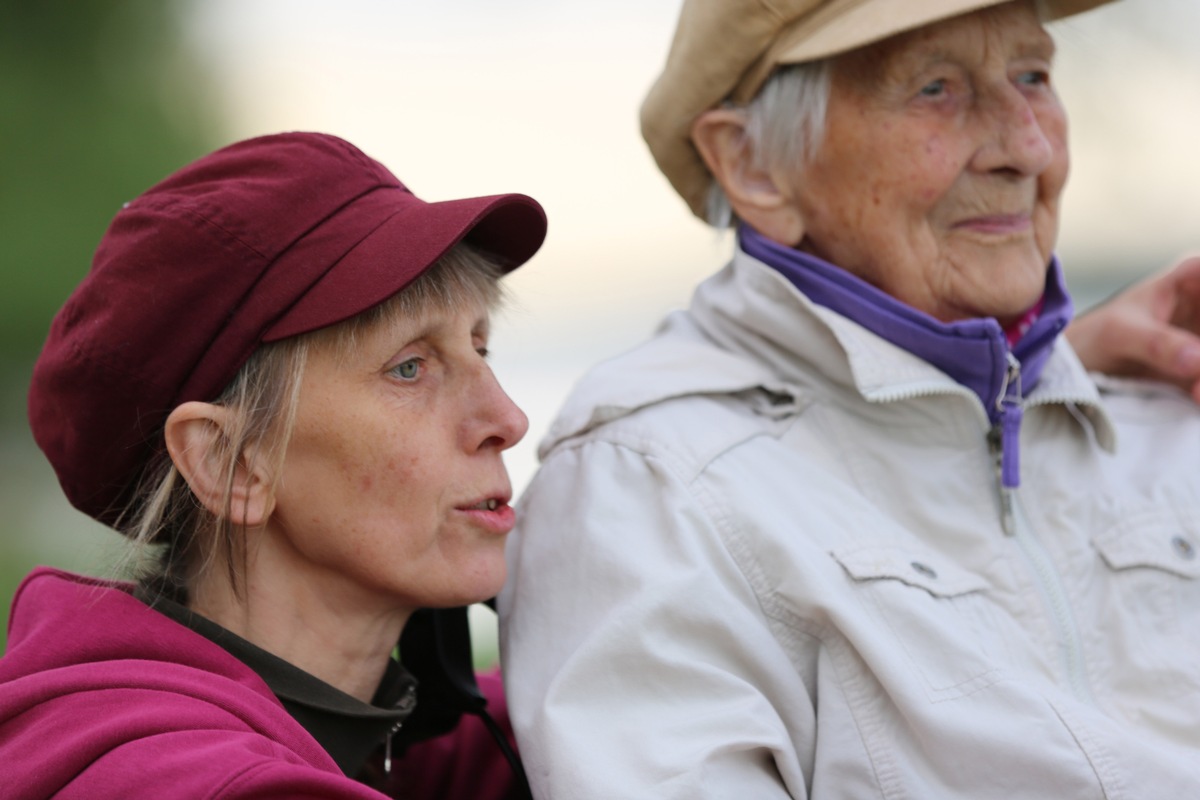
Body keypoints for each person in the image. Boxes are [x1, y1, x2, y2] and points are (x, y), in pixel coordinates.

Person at [499, 0, 1200, 796]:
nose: (1027, 144)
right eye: (937, 88)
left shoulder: (1161, 412)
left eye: (1033, 75)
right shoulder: (648, 484)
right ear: (753, 167)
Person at [0, 132, 546, 799]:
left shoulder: (371, 744)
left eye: (480, 350)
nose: (508, 419)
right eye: (410, 367)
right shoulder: (201, 783)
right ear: (230, 464)